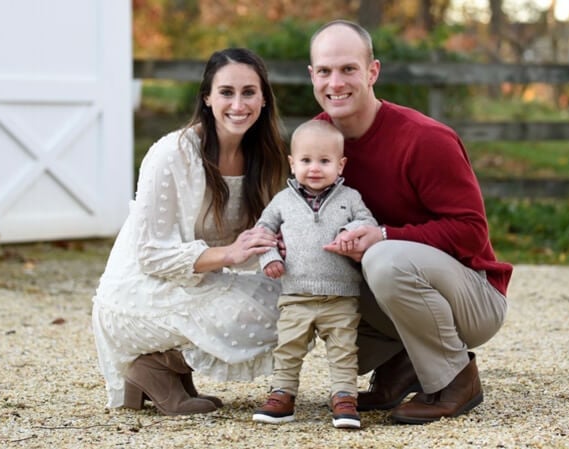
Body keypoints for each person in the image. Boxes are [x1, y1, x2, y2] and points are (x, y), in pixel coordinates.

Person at [307, 20, 513, 424]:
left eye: (349, 69)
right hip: (396, 293)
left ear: (372, 72)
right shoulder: (317, 142)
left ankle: (456, 378)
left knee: (383, 258)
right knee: (301, 268)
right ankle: (404, 364)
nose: (336, 82)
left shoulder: (424, 139)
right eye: (325, 71)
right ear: (312, 76)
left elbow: (472, 233)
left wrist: (383, 235)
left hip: (472, 298)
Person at [91, 48, 289, 416]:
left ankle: (172, 370)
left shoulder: (265, 157)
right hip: (139, 293)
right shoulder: (172, 154)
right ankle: (156, 366)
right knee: (257, 310)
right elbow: (150, 254)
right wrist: (230, 253)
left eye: (249, 92)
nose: (238, 104)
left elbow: (264, 233)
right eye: (226, 92)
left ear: (263, 100)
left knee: (292, 298)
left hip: (196, 280)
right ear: (207, 98)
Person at [250, 120, 377, 429]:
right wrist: (269, 257)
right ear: (293, 164)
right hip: (296, 294)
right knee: (289, 346)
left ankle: (344, 397)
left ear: (340, 164)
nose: (315, 168)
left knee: (343, 349)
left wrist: (350, 230)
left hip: (340, 294)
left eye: (324, 161)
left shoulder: (350, 198)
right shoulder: (282, 201)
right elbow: (262, 231)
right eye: (306, 161)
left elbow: (367, 221)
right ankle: (282, 393)